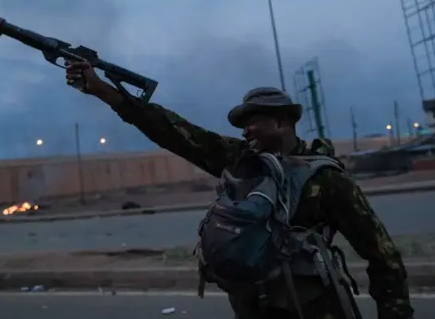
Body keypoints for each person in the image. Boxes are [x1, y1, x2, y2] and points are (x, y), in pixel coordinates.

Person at [65, 59, 414, 319]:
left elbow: (383, 256)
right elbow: (171, 129)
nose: (246, 132)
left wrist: (394, 313)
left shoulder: (326, 180)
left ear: (281, 122)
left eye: (253, 123)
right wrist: (102, 90)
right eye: (242, 125)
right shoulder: (240, 161)